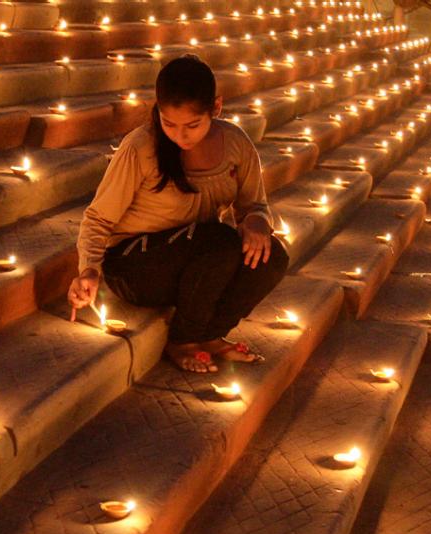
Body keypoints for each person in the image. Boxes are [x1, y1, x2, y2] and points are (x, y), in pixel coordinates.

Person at [68, 55, 288, 373]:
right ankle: (183, 340)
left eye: (192, 125)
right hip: (136, 268)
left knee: (272, 256)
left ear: (216, 108)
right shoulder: (141, 148)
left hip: (199, 258)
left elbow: (254, 206)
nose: (180, 136)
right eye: (169, 124)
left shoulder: (236, 145)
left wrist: (257, 221)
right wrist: (89, 269)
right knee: (220, 241)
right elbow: (98, 219)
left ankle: (210, 335)